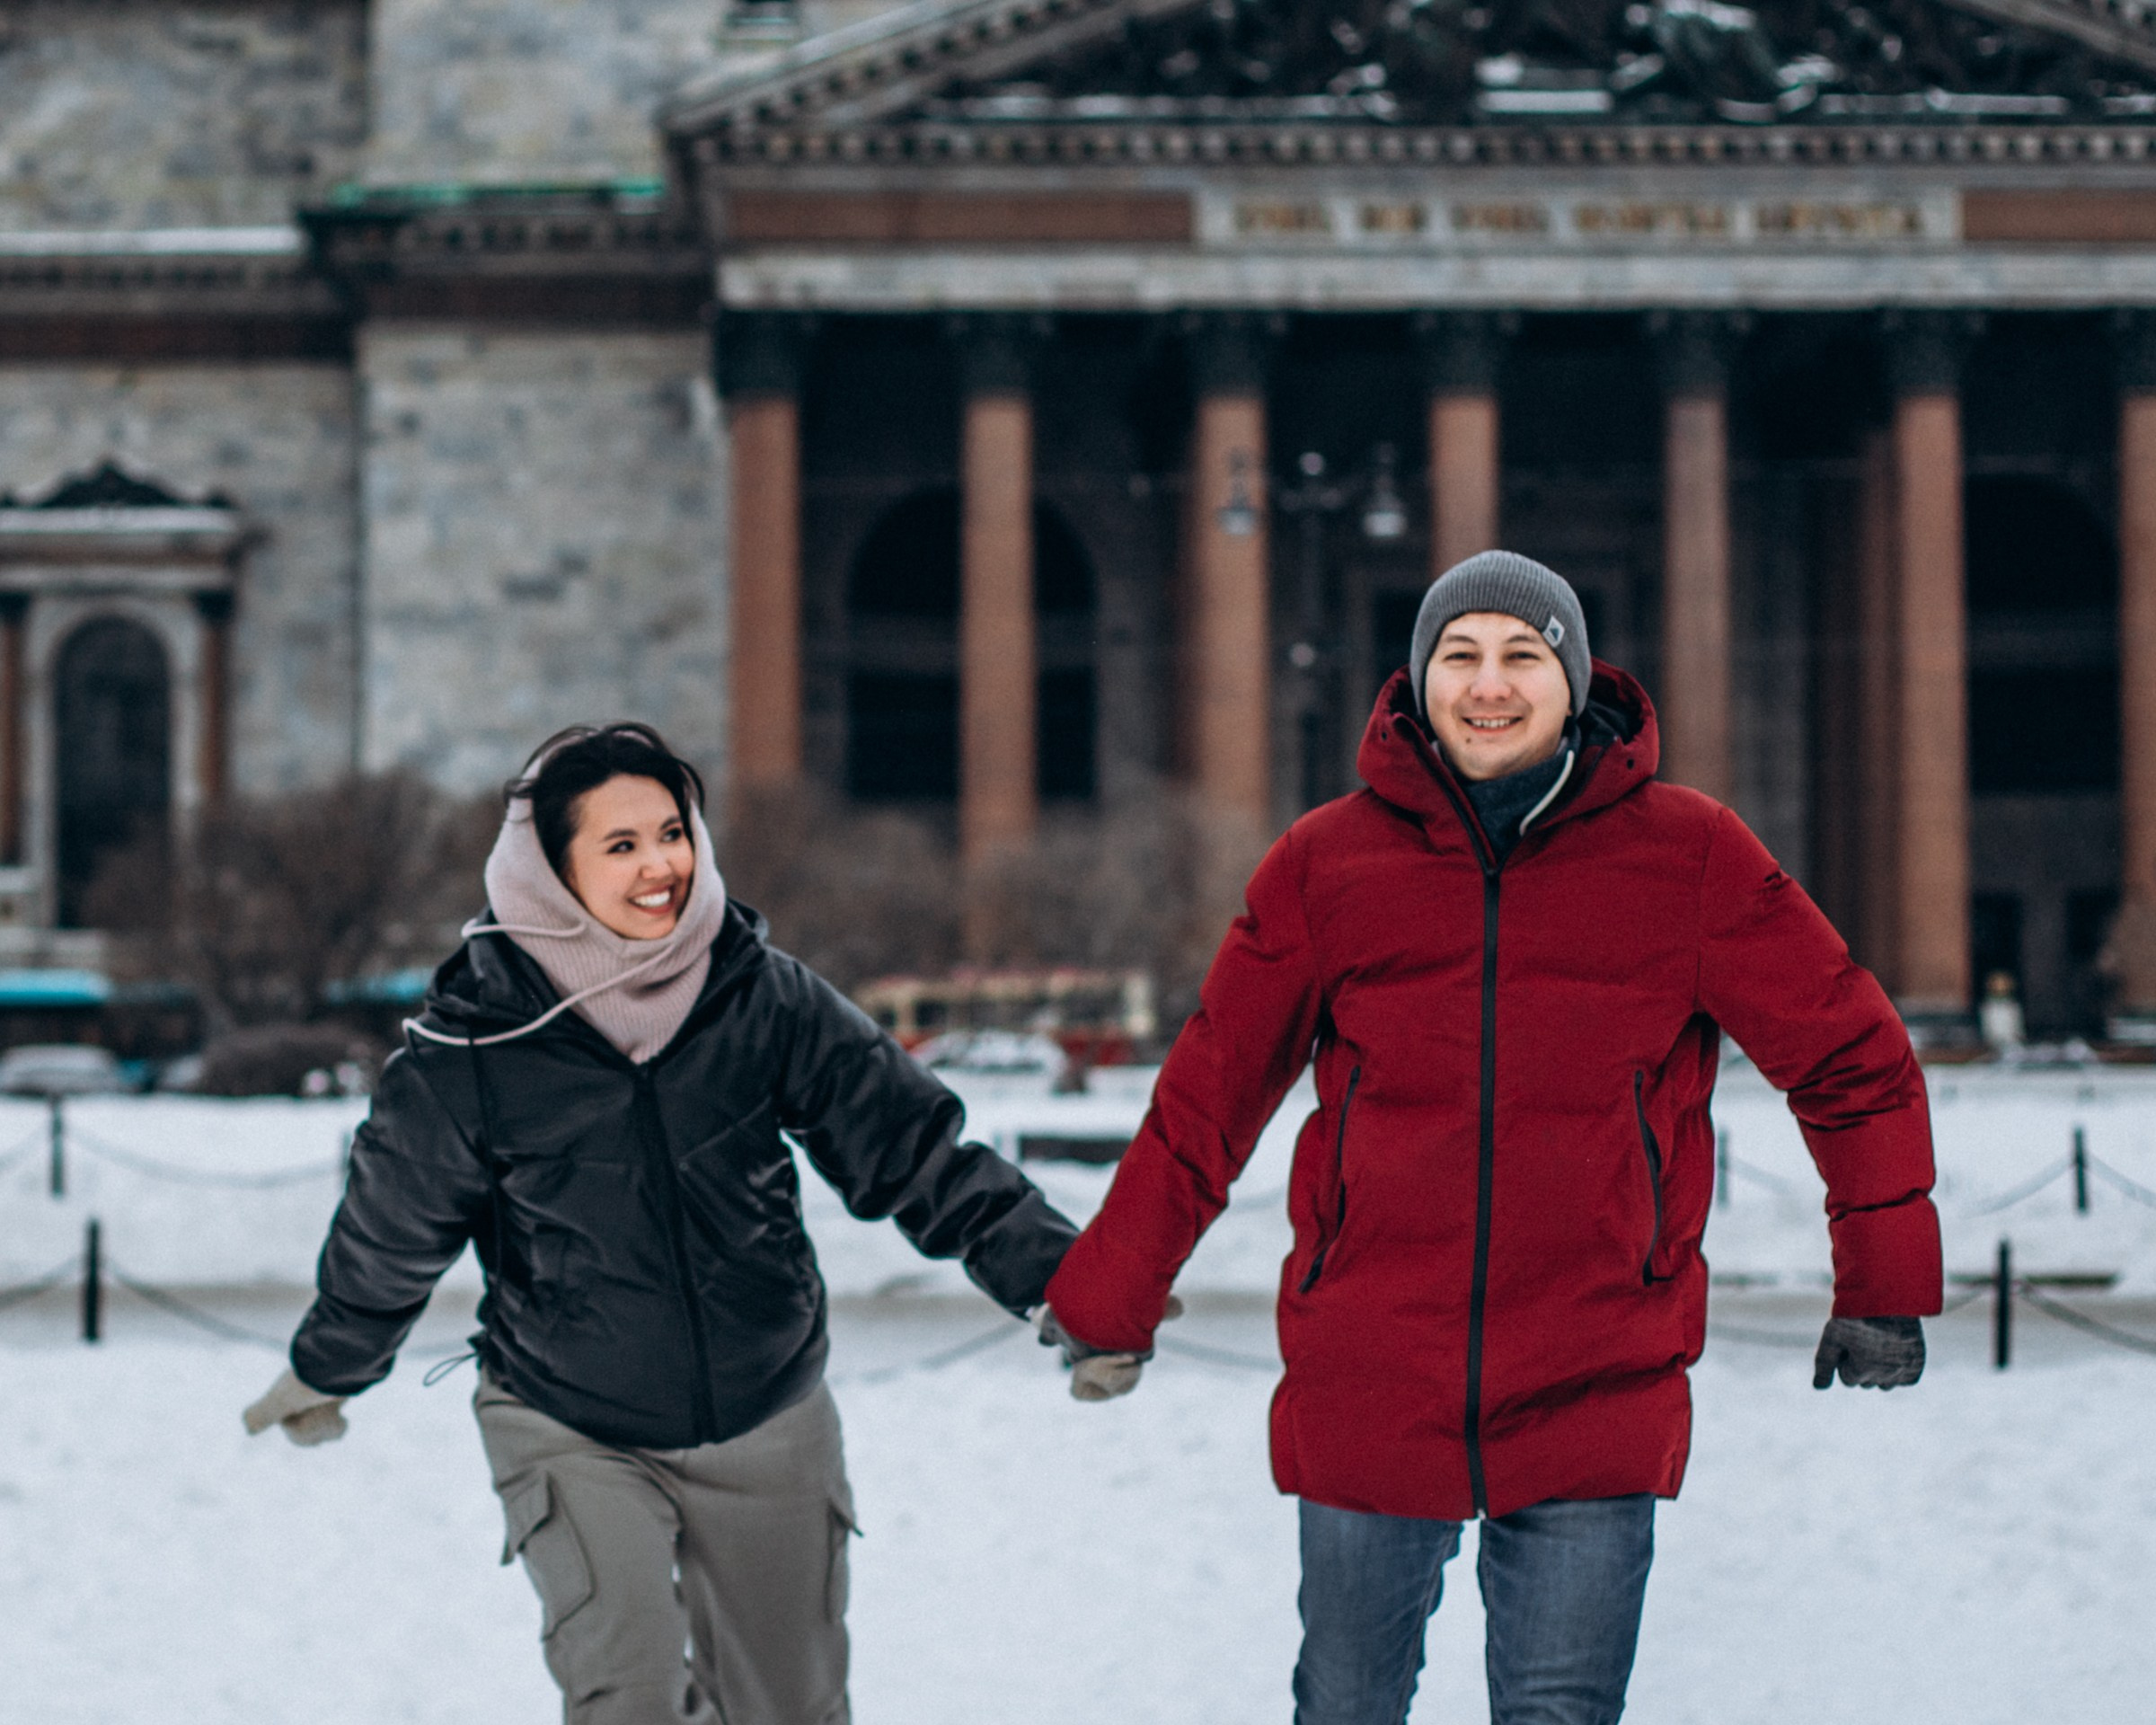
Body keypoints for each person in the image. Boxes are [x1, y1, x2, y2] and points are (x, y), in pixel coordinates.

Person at [1037, 552, 1942, 1725]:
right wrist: (1112, 1294)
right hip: (1373, 1375)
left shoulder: (1691, 856)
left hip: (1596, 1376)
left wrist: (1882, 1284)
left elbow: (1852, 1058)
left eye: (1524, 655)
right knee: (1346, 1706)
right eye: (1459, 656)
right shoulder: (1327, 863)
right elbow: (1209, 1095)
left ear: (1576, 682)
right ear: (1418, 683)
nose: (1490, 684)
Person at [243, 722, 1079, 1725]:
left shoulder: (760, 995)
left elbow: (913, 1151)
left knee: (792, 1708)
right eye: (622, 845)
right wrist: (329, 1365)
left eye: (673, 833)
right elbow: (393, 1228)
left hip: (767, 1411)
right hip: (569, 1422)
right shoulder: (473, 1044)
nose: (662, 867)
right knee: (627, 1698)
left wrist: (1067, 1284)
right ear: (551, 872)